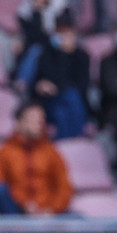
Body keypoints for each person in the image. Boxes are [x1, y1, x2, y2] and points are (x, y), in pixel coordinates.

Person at [0, 101, 74, 214]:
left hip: (48, 213)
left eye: (41, 119)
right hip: (15, 212)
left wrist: (50, 209)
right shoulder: (4, 153)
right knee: (0, 191)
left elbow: (64, 188)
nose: (39, 123)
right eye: (33, 119)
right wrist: (23, 204)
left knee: (79, 218)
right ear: (19, 122)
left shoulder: (51, 153)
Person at [32, 9, 92, 139]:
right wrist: (62, 55)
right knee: (62, 108)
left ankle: (71, 145)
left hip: (74, 100)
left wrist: (67, 54)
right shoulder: (46, 53)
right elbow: (45, 80)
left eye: (67, 32)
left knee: (68, 101)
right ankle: (73, 143)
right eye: (60, 32)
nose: (64, 36)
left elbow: (82, 85)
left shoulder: (82, 56)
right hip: (50, 100)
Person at [13, 0, 70, 91]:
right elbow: (33, 35)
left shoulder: (62, 5)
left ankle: (55, 83)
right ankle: (24, 84)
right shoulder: (25, 9)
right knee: (34, 50)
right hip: (38, 44)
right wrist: (37, 11)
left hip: (56, 43)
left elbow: (64, 29)